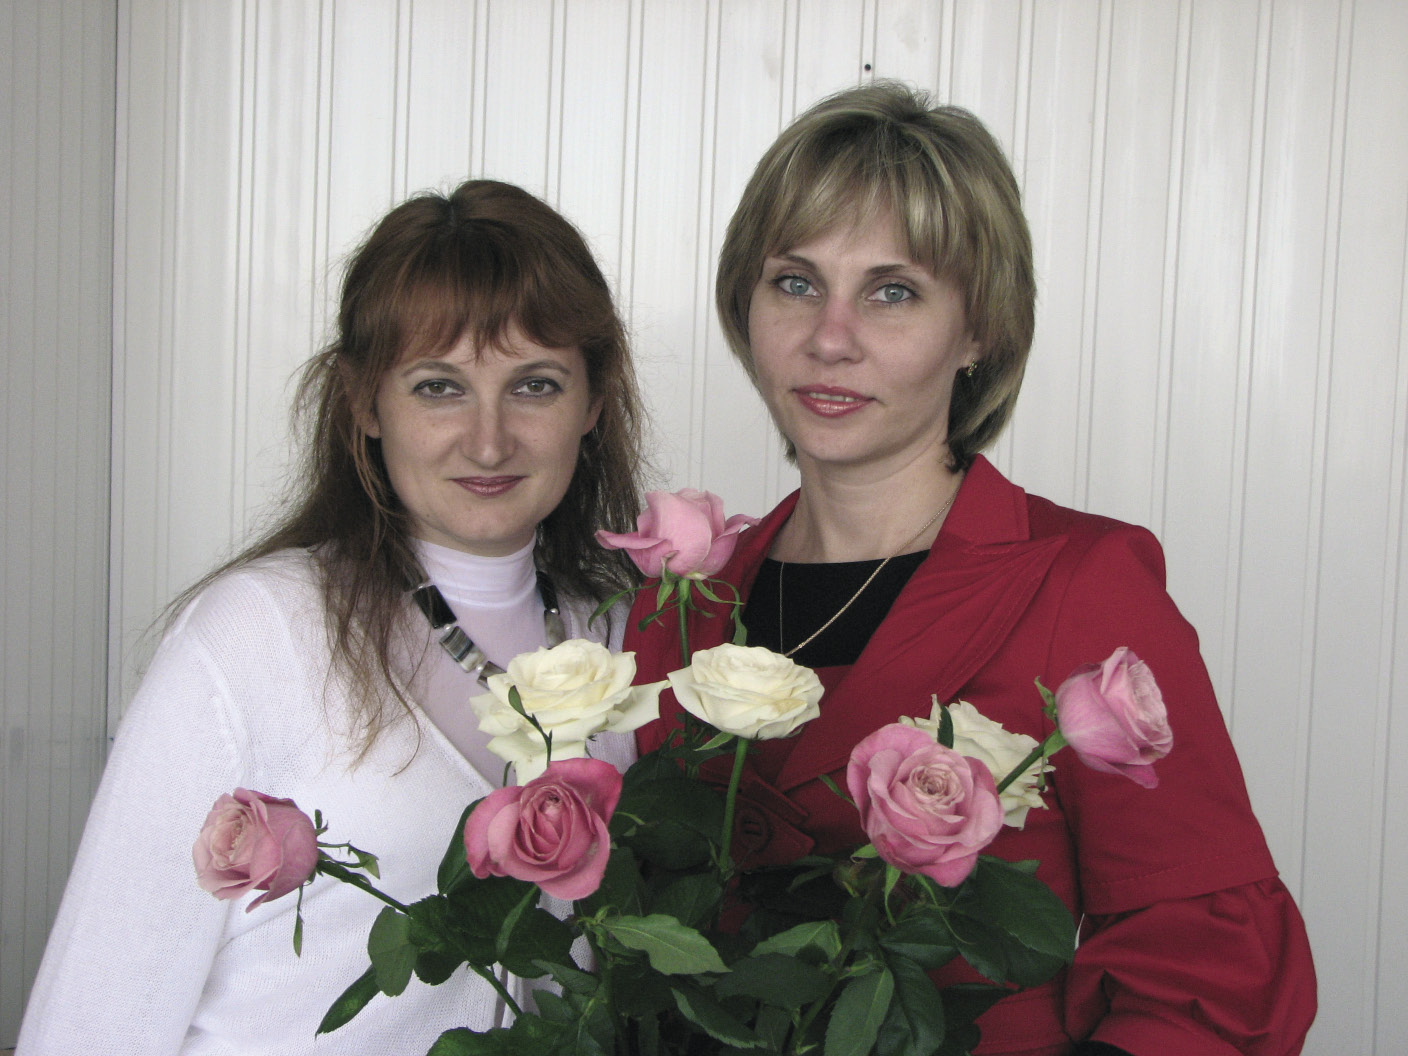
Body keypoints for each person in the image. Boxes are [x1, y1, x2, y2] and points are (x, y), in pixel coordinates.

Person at [629, 83, 1315, 1055]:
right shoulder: (679, 606)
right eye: (794, 282)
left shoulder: (1085, 587)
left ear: (980, 329)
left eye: (892, 292)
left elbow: (1209, 975)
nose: (829, 338)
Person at [18, 179, 646, 1055]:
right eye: (438, 387)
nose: (489, 439)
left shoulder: (622, 636)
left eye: (535, 385)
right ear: (362, 402)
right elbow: (97, 1013)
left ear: (594, 401)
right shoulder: (255, 634)